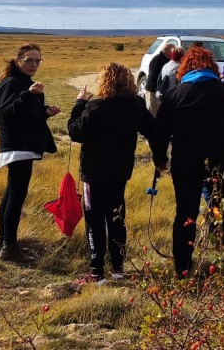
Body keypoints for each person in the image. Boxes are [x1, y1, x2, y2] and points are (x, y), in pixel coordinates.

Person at [151, 46, 224, 277]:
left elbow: (159, 133)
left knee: (186, 211)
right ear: (212, 66)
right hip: (218, 157)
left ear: (184, 68)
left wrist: (160, 159)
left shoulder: (173, 96)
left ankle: (183, 264)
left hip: (185, 159)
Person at [67, 62, 155, 283]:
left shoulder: (95, 107)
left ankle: (97, 272)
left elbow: (75, 132)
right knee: (117, 217)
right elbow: (152, 129)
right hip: (120, 171)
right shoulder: (136, 104)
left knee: (94, 220)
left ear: (104, 82)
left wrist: (79, 104)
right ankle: (118, 268)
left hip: (93, 174)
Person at [0, 44, 60, 264]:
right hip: (17, 146)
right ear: (17, 60)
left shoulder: (25, 85)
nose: (33, 65)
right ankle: (9, 247)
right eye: (29, 60)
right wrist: (28, 95)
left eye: (37, 60)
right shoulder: (12, 84)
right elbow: (7, 113)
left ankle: (3, 244)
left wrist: (45, 111)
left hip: (22, 145)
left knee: (12, 193)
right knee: (16, 195)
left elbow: (26, 114)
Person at [144, 43, 172, 116]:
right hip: (152, 91)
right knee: (153, 115)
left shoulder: (165, 60)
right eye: (172, 50)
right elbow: (153, 76)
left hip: (158, 92)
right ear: (168, 51)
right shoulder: (158, 60)